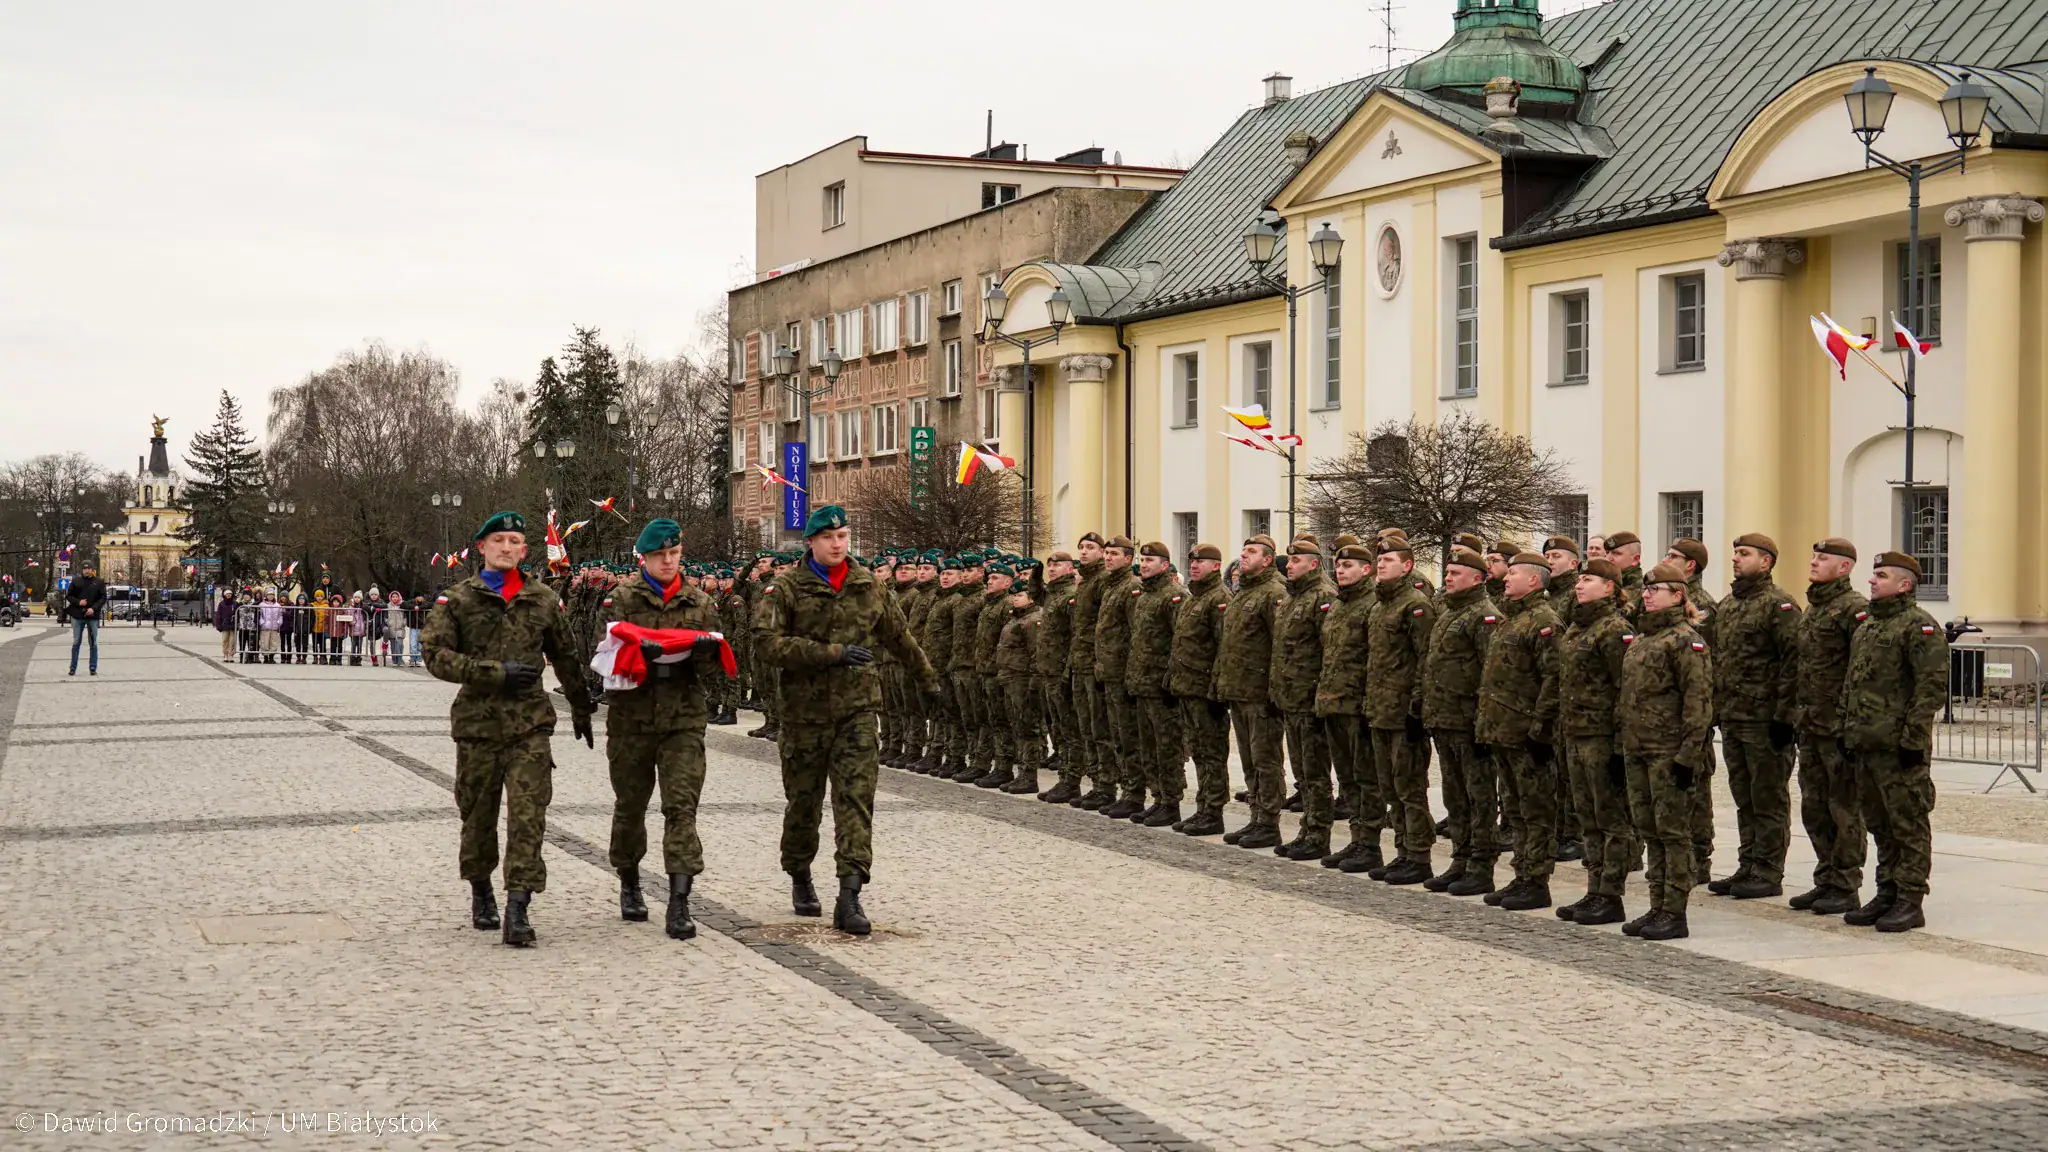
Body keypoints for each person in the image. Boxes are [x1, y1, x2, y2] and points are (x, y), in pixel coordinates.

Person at [756, 505, 937, 935]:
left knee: (856, 799)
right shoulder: (785, 589)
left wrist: (928, 681)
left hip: (857, 711)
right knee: (804, 803)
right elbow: (766, 643)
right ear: (811, 543)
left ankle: (850, 893)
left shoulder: (868, 586)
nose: (838, 544)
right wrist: (828, 654)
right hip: (804, 714)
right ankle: (799, 873)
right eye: (829, 538)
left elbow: (900, 636)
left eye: (843, 536)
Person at [422, 511, 595, 947]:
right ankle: (481, 889)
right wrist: (491, 672)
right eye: (497, 539)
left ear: (524, 550)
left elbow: (567, 655)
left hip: (529, 726)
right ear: (482, 547)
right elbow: (435, 655)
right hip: (478, 727)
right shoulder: (458, 600)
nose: (506, 547)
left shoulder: (543, 600)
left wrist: (580, 706)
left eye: (514, 540)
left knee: (528, 816)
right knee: (477, 817)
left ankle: (518, 905)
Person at [601, 518, 728, 941]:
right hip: (632, 717)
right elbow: (600, 655)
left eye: (674, 554)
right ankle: (630, 881)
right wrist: (639, 650)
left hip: (683, 718)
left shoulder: (699, 602)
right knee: (631, 805)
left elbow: (716, 670)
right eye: (661, 556)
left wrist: (707, 653)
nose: (669, 562)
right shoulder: (621, 599)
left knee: (681, 808)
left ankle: (679, 901)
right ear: (646, 557)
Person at [1839, 551, 1948, 933]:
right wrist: (1846, 730)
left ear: (1904, 584)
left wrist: (1913, 739)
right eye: (1873, 575)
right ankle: (1886, 891)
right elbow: (1853, 684)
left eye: (1881, 575)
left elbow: (1931, 688)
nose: (1871, 581)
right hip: (1866, 742)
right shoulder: (1868, 627)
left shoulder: (1919, 626)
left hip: (1898, 746)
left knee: (1908, 823)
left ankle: (1910, 897)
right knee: (1879, 823)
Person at [1618, 561, 1714, 941]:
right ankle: (1656, 904)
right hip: (1639, 749)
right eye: (1645, 590)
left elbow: (1698, 702)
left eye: (1655, 590)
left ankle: (1674, 911)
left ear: (1678, 595)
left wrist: (1689, 756)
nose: (1646, 595)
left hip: (1668, 752)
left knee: (1673, 833)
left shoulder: (1685, 641)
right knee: (1650, 831)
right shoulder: (1644, 638)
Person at [1709, 533, 1802, 900]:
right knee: (1744, 797)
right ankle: (1747, 864)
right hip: (1734, 718)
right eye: (1734, 552)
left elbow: (1794, 662)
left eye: (1744, 553)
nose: (1735, 558)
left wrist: (1785, 717)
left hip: (1765, 720)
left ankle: (1768, 869)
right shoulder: (1729, 604)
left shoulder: (1778, 606)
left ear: (1766, 562)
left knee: (1768, 798)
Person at [1477, 552, 1562, 910]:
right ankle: (1522, 874)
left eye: (1513, 573)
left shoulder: (1544, 621)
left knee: (1535, 810)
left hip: (1527, 735)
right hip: (1503, 731)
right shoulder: (1511, 619)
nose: (1506, 578)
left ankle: (1537, 880)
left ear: (1534, 581)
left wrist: (1541, 730)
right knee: (1514, 809)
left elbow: (1553, 679)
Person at [1791, 538, 1870, 916]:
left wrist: (1850, 722)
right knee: (1814, 807)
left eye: (1823, 559)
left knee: (1843, 808)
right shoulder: (1815, 608)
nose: (1814, 562)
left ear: (1845, 568)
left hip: (1836, 728)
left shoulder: (1854, 610)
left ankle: (1846, 882)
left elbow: (1861, 671)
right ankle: (1826, 877)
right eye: (1814, 556)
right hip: (1811, 725)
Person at [1554, 558, 1633, 926]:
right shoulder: (1576, 628)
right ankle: (1594, 888)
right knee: (1588, 818)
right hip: (1576, 734)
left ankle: (1611, 894)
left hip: (1601, 737)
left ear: (1610, 588)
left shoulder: (1614, 630)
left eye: (1588, 579)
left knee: (1611, 819)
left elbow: (1624, 690)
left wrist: (1620, 744)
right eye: (1579, 579)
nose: (1579, 585)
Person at [1423, 547, 1500, 894]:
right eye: (1448, 572)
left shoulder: (1484, 616)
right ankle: (1461, 857)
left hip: (1469, 722)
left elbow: (1491, 674)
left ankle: (1481, 866)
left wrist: (1485, 723)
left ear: (1477, 578)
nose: (1448, 578)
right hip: (1445, 718)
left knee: (1479, 796)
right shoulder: (1449, 613)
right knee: (1455, 795)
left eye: (1456, 573)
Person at [1367, 535, 1437, 884]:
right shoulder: (1380, 606)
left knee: (1410, 787)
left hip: (1403, 711)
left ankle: (1419, 856)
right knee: (1390, 787)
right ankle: (1401, 851)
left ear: (1407, 566)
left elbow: (1426, 659)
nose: (1381, 564)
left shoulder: (1416, 605)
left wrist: (1418, 708)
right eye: (1379, 561)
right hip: (1380, 710)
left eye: (1389, 560)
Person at [1216, 534, 1288, 849]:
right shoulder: (1244, 593)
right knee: (1249, 760)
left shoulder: (1274, 593)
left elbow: (1280, 647)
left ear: (1268, 559)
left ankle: (1269, 822)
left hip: (1260, 695)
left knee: (1266, 759)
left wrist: (1274, 691)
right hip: (1240, 691)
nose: (1243, 556)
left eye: (1251, 552)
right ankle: (1256, 817)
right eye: (1243, 551)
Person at [1316, 539, 1379, 869]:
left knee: (1366, 778)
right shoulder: (1339, 605)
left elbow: (1376, 660)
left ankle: (1369, 844)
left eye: (1348, 566)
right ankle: (1356, 839)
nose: (1340, 571)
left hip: (1357, 706)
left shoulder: (1371, 604)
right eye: (1338, 566)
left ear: (1366, 570)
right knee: (1348, 779)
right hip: (1333, 703)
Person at [1271, 537, 1335, 858]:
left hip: (1310, 700)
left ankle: (1318, 833)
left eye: (1295, 561)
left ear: (1313, 564)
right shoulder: (1292, 597)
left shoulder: (1323, 597)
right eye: (1288, 560)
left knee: (1315, 772)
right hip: (1291, 699)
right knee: (1302, 772)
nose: (1289, 565)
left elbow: (1329, 652)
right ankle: (1307, 829)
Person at [1168, 543, 1231, 836]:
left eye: (1201, 561)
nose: (1194, 565)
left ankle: (1213, 811)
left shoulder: (1219, 598)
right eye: (1192, 561)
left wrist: (1217, 688)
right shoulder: (1194, 598)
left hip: (1206, 690)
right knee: (1199, 753)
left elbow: (1223, 648)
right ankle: (1203, 807)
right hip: (1188, 687)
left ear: (1216, 565)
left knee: (1212, 752)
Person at [1125, 542, 1188, 825]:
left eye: (1150, 560)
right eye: (1142, 559)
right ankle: (1158, 797)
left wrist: (1171, 679)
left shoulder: (1173, 595)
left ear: (1165, 565)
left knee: (1167, 748)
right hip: (1141, 684)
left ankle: (1171, 802)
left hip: (1161, 687)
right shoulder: (1143, 595)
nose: (1144, 564)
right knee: (1148, 746)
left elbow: (1179, 641)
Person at [1093, 538, 1143, 816]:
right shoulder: (1110, 586)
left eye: (1113, 554)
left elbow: (1136, 634)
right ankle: (1121, 790)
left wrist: (1129, 672)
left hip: (1122, 674)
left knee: (1127, 737)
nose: (1107, 558)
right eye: (1107, 553)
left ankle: (1133, 793)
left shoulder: (1130, 588)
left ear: (1127, 559)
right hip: (1107, 672)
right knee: (1113, 734)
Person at [995, 561, 1047, 795]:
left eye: (1021, 594)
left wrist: (1035, 682)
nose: (1015, 598)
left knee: (1028, 728)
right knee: (1016, 726)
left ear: (1032, 598)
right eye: (1014, 594)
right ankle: (1021, 773)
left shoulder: (1033, 620)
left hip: (1024, 680)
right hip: (1010, 679)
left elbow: (1037, 653)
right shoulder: (1015, 618)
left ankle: (1029, 775)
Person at [1068, 534, 1111, 808]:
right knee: (1086, 728)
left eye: (1090, 548)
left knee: (1100, 729)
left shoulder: (1102, 581)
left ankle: (1106, 785)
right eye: (1081, 547)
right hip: (1079, 663)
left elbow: (1105, 628)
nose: (1084, 552)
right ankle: (1096, 782)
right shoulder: (1083, 582)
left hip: (1095, 665)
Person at [1034, 552, 1081, 801]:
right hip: (1048, 671)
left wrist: (1066, 673)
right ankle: (1066, 779)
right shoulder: (1053, 594)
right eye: (1050, 565)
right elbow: (1035, 595)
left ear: (1070, 568)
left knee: (1069, 731)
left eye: (1057, 565)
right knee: (1060, 729)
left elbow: (1075, 637)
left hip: (1061, 672)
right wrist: (1035, 575)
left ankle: (1071, 780)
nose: (1052, 569)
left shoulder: (1069, 596)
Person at [67, 563, 107, 676]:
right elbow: (69, 596)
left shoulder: (99, 582)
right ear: (82, 570)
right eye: (85, 569)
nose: (87, 571)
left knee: (93, 642)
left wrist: (93, 609)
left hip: (92, 616)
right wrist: (78, 602)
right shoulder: (76, 581)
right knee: (76, 642)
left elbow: (103, 598)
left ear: (92, 569)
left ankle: (93, 667)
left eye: (89, 568)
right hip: (77, 616)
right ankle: (73, 668)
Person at [258, 589, 284, 663]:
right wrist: (262, 622)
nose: (270, 596)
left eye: (272, 595)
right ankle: (265, 657)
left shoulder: (277, 605)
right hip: (265, 627)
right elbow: (260, 615)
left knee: (273, 642)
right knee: (265, 642)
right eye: (269, 595)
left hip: (274, 627)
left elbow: (280, 615)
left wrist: (279, 623)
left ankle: (271, 657)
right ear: (266, 596)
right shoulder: (262, 605)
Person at [213, 588, 239, 660]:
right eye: (227, 594)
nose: (228, 595)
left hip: (233, 624)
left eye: (230, 594)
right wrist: (218, 625)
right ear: (224, 595)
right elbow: (218, 615)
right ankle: (225, 654)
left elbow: (238, 614)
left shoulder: (235, 603)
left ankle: (231, 654)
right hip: (224, 624)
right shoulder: (221, 604)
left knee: (232, 640)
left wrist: (238, 624)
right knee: (225, 640)